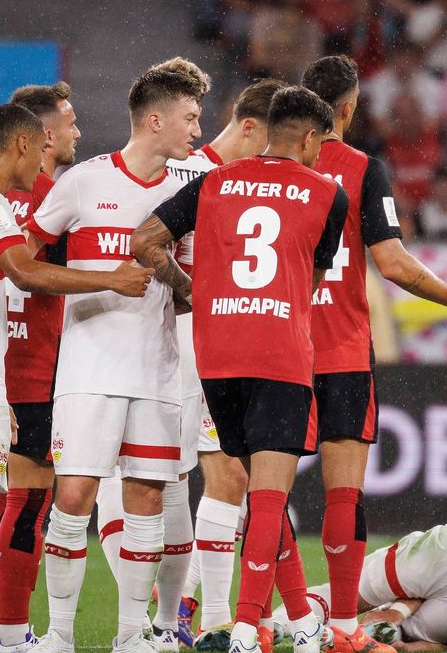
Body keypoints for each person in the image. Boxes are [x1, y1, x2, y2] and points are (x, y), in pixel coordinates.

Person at [0, 103, 153, 653]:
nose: (40, 164)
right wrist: (108, 280)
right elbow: (22, 269)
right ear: (21, 144)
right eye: (38, 147)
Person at [300, 54, 447, 653]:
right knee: (344, 497)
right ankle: (342, 628)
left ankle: (241, 618)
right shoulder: (362, 169)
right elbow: (392, 263)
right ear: (348, 108)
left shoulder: (264, 168)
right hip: (340, 350)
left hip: (277, 347)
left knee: (256, 494)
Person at [131, 85, 349, 653]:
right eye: (320, 144)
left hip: (218, 355)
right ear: (308, 137)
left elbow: (144, 241)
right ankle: (249, 628)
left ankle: (300, 618)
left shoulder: (211, 182)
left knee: (258, 490)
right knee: (269, 498)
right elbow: (311, 284)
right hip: (279, 351)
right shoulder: (328, 193)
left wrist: (191, 290)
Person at [27, 58, 210, 653]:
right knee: (74, 496)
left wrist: (187, 290)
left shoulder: (187, 191)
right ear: (155, 119)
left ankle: (132, 634)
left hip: (157, 371)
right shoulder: (83, 182)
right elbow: (26, 266)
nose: (197, 131)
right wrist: (105, 280)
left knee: (147, 499)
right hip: (88, 370)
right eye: (189, 117)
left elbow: (184, 289)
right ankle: (59, 634)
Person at [162, 77, 287, 647]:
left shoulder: (254, 184)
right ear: (249, 127)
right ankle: (212, 619)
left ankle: (193, 611)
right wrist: (195, 291)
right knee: (222, 474)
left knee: (233, 474)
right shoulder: (189, 175)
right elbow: (147, 243)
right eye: (269, 144)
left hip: (223, 342)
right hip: (188, 344)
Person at [0, 81, 80, 653]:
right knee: (27, 507)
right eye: (68, 123)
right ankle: (13, 634)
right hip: (36, 376)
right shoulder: (57, 203)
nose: (75, 133)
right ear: (42, 134)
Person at [272, 518, 447, 652]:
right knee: (405, 636)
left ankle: (277, 625)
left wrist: (399, 608)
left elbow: (428, 586)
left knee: (344, 595)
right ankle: (391, 635)